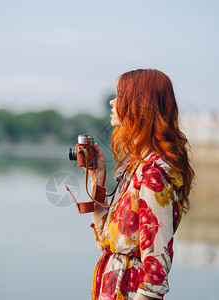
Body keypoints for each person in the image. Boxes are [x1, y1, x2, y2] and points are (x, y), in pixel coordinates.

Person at [85, 69, 194, 300]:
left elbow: (155, 276)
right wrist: (99, 179)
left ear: (140, 106)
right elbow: (105, 240)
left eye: (121, 96)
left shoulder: (154, 173)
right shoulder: (137, 166)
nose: (113, 102)